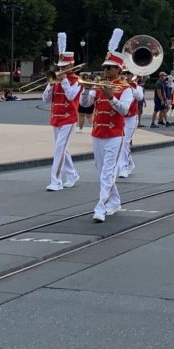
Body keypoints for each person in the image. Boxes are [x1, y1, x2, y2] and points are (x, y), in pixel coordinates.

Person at [87, 30, 135, 222]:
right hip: (98, 133)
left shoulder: (126, 89)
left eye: (109, 68)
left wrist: (111, 97)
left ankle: (101, 207)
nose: (105, 71)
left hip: (115, 134)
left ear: (118, 70)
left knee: (107, 171)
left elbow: (124, 110)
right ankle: (114, 200)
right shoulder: (100, 86)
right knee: (101, 171)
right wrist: (86, 91)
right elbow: (86, 103)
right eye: (105, 68)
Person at [43, 51, 81, 191]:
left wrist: (64, 80)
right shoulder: (56, 79)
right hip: (56, 117)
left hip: (69, 118)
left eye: (64, 66)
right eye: (60, 66)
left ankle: (56, 181)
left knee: (59, 148)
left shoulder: (78, 80)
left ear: (72, 64)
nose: (61, 69)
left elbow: (71, 96)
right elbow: (45, 99)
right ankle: (72, 174)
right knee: (62, 149)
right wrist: (50, 85)